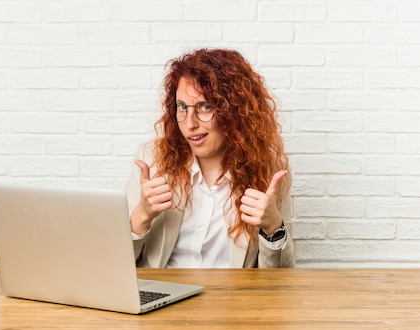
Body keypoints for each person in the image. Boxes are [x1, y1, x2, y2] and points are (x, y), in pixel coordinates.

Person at [125, 48, 295, 268]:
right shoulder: (151, 160)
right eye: (182, 107)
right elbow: (114, 264)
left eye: (205, 107)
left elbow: (279, 281)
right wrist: (141, 216)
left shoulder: (266, 169)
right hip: (163, 297)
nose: (190, 123)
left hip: (230, 300)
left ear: (234, 111)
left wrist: (273, 227)